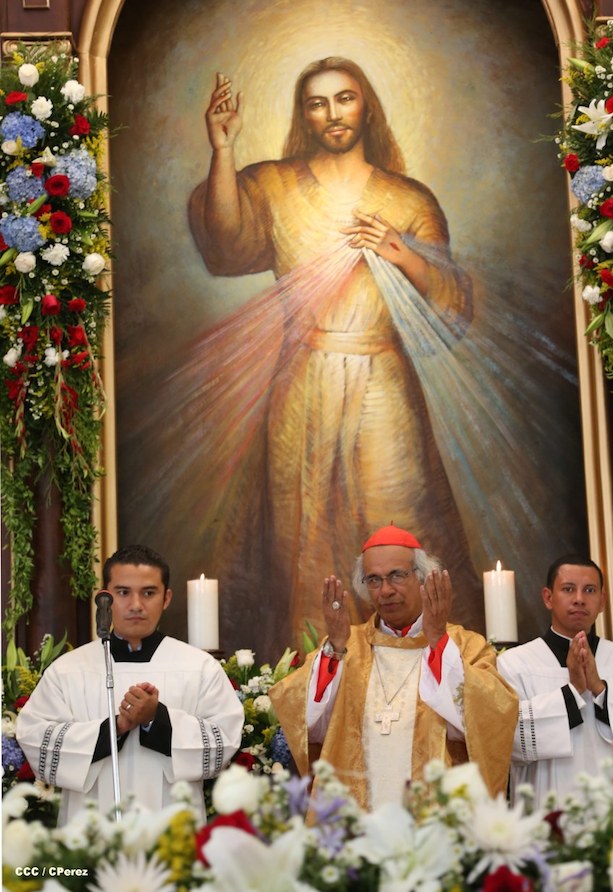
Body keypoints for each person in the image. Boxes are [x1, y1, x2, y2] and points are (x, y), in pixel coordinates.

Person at [187, 57, 482, 654]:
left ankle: (417, 666)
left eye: (344, 98)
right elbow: (225, 245)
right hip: (302, 381)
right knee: (302, 536)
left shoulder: (407, 198)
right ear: (305, 115)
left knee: (399, 518)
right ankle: (313, 672)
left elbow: (453, 304)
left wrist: (403, 254)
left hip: (384, 381)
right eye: (317, 103)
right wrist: (223, 149)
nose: (333, 113)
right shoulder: (273, 184)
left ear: (365, 105)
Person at [268, 524, 518, 810]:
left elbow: (492, 717)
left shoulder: (464, 645)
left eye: (397, 575)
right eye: (373, 580)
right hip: (356, 811)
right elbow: (305, 720)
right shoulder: (344, 645)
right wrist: (334, 649)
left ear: (423, 578)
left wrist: (438, 643)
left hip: (433, 812)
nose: (385, 590)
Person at [15, 544, 244, 825]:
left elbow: (223, 741)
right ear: (105, 598)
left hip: (172, 831)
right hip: (89, 830)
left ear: (166, 598)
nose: (136, 605)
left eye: (148, 593)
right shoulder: (68, 670)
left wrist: (156, 719)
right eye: (123, 592)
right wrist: (116, 727)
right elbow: (36, 740)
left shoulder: (200, 667)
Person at [496, 555, 613, 809]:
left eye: (589, 590)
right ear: (548, 597)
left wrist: (601, 691)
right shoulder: (515, 664)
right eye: (568, 589)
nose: (579, 598)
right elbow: (504, 736)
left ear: (602, 601)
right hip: (546, 815)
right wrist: (572, 693)